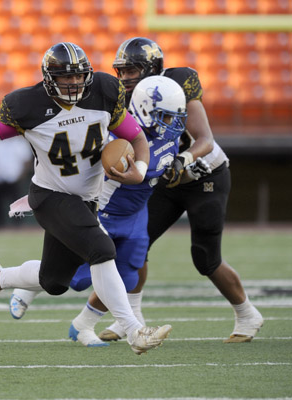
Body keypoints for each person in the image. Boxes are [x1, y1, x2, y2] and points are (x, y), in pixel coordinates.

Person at [0, 41, 172, 355]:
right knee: (102, 248)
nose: (73, 83)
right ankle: (135, 331)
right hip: (50, 196)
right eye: (65, 77)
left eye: (78, 76)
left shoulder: (104, 92)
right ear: (48, 77)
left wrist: (138, 169)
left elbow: (135, 136)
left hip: (85, 200)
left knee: (54, 281)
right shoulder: (27, 104)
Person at [96, 37, 263, 343]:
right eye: (123, 70)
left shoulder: (177, 82)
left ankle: (247, 314)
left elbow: (205, 139)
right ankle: (130, 318)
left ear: (151, 69)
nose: (126, 77)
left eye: (133, 70)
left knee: (205, 258)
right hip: (165, 181)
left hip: (204, 176)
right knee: (135, 245)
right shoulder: (124, 98)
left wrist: (183, 158)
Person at [9, 76, 188, 346]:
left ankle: (83, 325)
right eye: (165, 116)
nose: (172, 124)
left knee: (127, 276)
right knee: (75, 278)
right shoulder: (115, 135)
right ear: (145, 109)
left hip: (136, 215)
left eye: (175, 117)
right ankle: (24, 283)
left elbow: (161, 170)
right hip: (103, 210)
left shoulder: (168, 138)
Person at [0, 136, 33, 227]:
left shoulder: (20, 143)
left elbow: (27, 161)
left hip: (14, 179)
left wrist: (21, 177)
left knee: (17, 204)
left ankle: (18, 225)